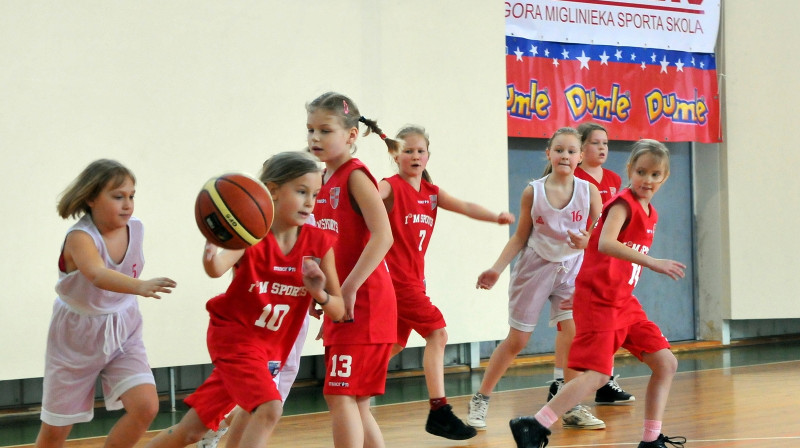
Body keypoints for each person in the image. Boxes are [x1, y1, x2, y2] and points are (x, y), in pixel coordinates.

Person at [144, 151, 345, 448]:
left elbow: (339, 310)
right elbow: (216, 268)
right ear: (272, 191)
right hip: (235, 338)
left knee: (191, 432)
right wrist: (211, 247)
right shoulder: (250, 235)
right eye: (301, 192)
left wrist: (319, 293)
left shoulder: (319, 244)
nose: (310, 202)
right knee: (270, 408)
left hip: (271, 349)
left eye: (315, 194)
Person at [509, 139, 687, 448]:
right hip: (598, 301)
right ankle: (535, 425)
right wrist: (652, 262)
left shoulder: (651, 213)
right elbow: (606, 243)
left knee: (666, 363)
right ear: (630, 170)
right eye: (642, 171)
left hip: (624, 303)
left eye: (655, 175)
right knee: (599, 376)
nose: (648, 180)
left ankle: (650, 439)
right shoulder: (623, 203)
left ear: (665, 177)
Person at [378, 125, 515, 440]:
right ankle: (439, 409)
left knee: (394, 344)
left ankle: (353, 381)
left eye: (420, 150)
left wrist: (495, 216)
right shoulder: (390, 186)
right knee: (437, 332)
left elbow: (466, 207)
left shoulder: (431, 193)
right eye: (408, 150)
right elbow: (368, 197)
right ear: (396, 155)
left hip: (414, 280)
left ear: (428, 155)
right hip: (396, 281)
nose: (414, 156)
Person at [467, 127, 605, 431]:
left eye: (571, 151)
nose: (565, 156)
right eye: (559, 150)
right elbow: (520, 236)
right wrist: (496, 268)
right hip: (535, 268)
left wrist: (587, 240)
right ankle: (481, 397)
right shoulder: (534, 191)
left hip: (570, 270)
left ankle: (569, 404)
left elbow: (601, 230)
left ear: (581, 157)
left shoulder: (588, 191)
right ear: (549, 154)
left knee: (573, 331)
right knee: (518, 340)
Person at [35, 159, 177, 448]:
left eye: (131, 196)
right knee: (55, 431)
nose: (127, 204)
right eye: (117, 197)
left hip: (124, 328)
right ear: (91, 198)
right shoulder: (79, 237)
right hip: (75, 335)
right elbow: (98, 274)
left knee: (146, 406)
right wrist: (140, 286)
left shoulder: (136, 229)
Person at [306, 92, 398, 448]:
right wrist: (326, 294)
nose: (315, 137)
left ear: (351, 135)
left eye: (325, 130)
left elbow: (384, 236)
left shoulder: (356, 176)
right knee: (355, 401)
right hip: (343, 303)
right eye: (310, 129)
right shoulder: (322, 180)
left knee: (340, 396)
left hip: (366, 303)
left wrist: (348, 289)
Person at [546, 122, 634, 406]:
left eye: (606, 143)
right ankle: (560, 380)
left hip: (605, 257)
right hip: (573, 256)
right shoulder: (573, 176)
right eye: (596, 142)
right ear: (581, 149)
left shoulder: (612, 179)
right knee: (569, 323)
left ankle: (604, 379)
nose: (602, 148)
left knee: (606, 320)